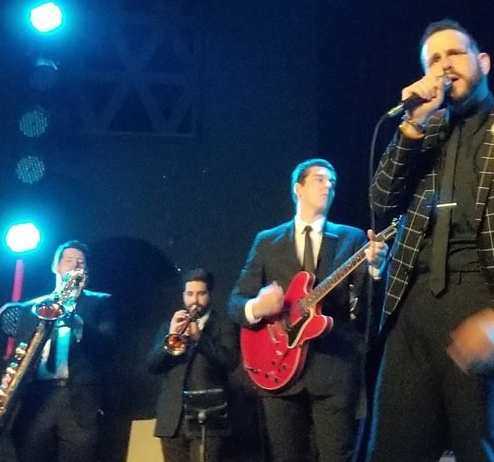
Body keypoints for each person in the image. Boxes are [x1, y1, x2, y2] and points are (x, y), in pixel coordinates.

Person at [366, 19, 494, 462]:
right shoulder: (423, 133)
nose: (444, 65)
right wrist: (413, 125)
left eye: (453, 53)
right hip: (413, 309)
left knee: (482, 453)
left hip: (485, 304)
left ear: (483, 62)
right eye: (433, 60)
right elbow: (381, 201)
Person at [227, 158, 384, 462]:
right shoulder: (267, 241)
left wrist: (376, 270)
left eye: (332, 182)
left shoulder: (352, 238)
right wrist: (257, 306)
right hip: (278, 367)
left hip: (334, 366)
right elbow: (235, 302)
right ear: (297, 189)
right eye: (320, 179)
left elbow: (369, 306)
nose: (329, 186)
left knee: (338, 456)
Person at [0, 240, 113, 462]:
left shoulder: (101, 302)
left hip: (78, 397)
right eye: (69, 260)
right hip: (38, 397)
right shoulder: (31, 308)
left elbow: (107, 346)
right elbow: (20, 352)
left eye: (81, 262)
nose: (75, 265)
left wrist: (78, 324)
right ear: (56, 266)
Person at [148, 269, 240, 462]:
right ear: (183, 295)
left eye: (200, 294)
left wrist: (200, 338)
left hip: (208, 418)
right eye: (189, 294)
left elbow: (229, 362)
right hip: (173, 421)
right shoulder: (168, 327)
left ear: (210, 295)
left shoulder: (224, 326)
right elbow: (153, 366)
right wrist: (171, 335)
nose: (194, 301)